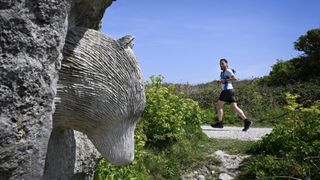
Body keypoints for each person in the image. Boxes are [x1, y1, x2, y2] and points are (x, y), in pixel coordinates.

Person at [211, 58, 252, 131]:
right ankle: (246, 121)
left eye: (222, 63)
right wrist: (220, 81)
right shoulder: (223, 72)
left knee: (218, 105)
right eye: (220, 64)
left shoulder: (228, 70)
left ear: (226, 64)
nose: (221, 65)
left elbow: (235, 78)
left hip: (227, 91)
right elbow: (225, 81)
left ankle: (220, 123)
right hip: (230, 91)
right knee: (234, 107)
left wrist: (224, 80)